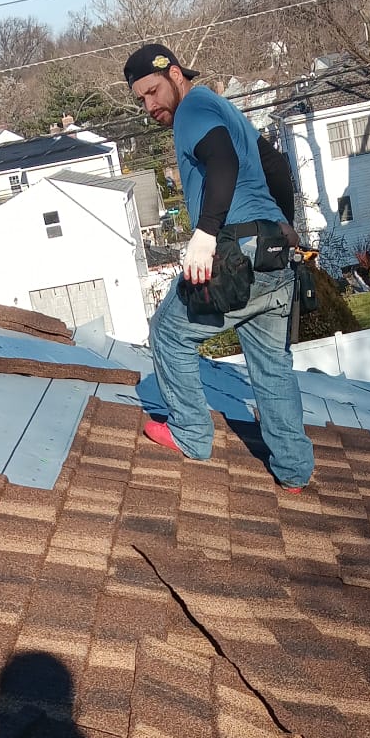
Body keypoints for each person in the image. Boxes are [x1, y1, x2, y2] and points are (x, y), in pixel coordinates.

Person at [125, 43, 314, 492]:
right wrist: (284, 223)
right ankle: (294, 470)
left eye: (153, 91)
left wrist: (206, 232)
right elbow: (274, 164)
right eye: (142, 99)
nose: (150, 106)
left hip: (235, 252)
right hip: (272, 253)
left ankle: (191, 433)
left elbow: (223, 160)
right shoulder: (224, 107)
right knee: (271, 365)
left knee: (168, 333)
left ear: (175, 74)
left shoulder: (192, 110)